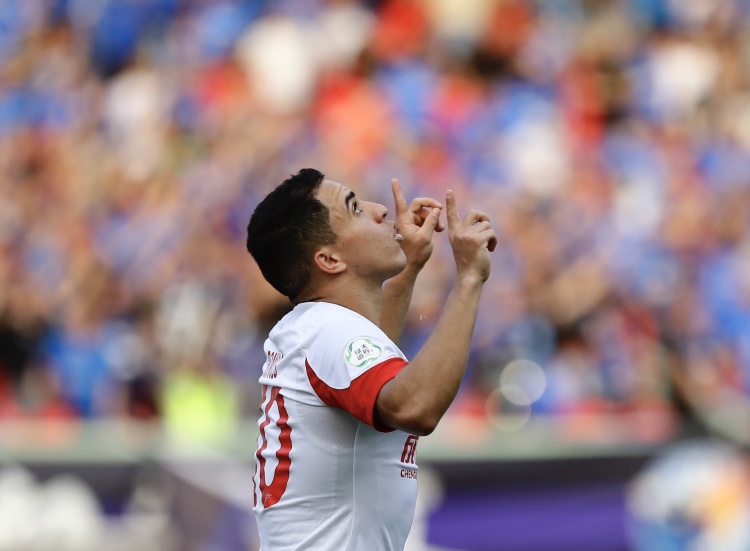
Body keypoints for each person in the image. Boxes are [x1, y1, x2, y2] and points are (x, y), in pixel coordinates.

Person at [245, 168, 496, 550]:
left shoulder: (315, 328)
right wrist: (469, 279)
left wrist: (410, 267)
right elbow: (413, 407)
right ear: (329, 259)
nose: (380, 210)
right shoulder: (326, 330)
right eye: (355, 209)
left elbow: (371, 363)